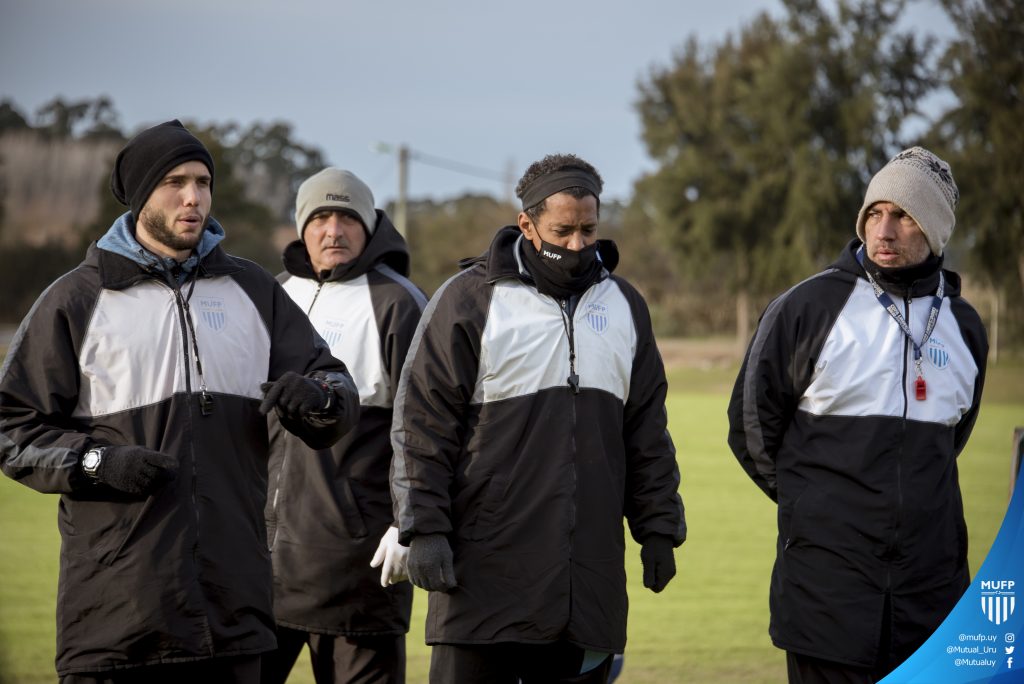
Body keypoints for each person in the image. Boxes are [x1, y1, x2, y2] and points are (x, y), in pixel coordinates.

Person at [0, 120, 360, 684]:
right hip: (118, 621)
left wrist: (317, 398)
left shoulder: (253, 290)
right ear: (141, 195)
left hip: (234, 615)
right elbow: (12, 428)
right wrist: (96, 462)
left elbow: (335, 386)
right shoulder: (76, 299)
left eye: (202, 182)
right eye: (174, 182)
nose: (193, 197)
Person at [390, 153, 686, 683]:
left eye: (588, 230)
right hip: (481, 581)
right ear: (527, 225)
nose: (577, 245)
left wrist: (658, 526)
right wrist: (424, 528)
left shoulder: (625, 306)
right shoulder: (468, 301)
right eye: (562, 231)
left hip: (586, 586)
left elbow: (647, 432)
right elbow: (421, 425)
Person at [727, 147, 988, 683]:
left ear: (936, 229)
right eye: (875, 213)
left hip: (932, 601)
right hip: (826, 596)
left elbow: (951, 440)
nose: (883, 231)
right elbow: (750, 428)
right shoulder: (806, 308)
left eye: (904, 216)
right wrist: (813, 505)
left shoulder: (966, 327)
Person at [261, 168, 426, 684]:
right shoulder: (272, 295)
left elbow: (427, 427)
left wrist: (410, 523)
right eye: (321, 218)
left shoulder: (398, 303)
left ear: (370, 226)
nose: (333, 231)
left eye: (347, 218)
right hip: (260, 566)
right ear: (301, 226)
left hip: (358, 568)